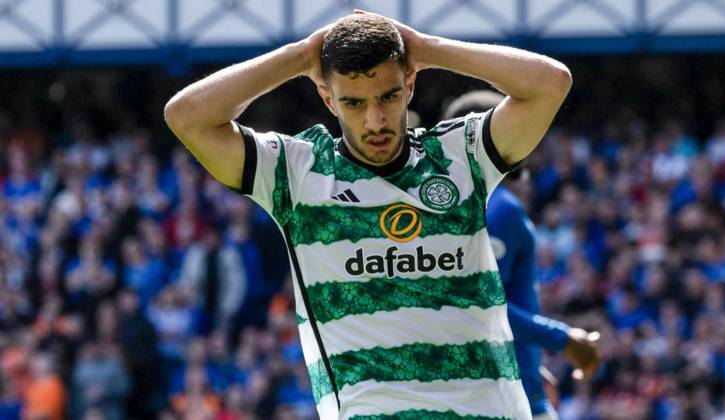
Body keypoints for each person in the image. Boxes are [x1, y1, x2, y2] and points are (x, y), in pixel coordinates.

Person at [164, 10, 572, 419]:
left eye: (388, 96)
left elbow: (551, 84)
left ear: (410, 83)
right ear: (328, 98)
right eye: (354, 103)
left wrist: (427, 48)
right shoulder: (295, 173)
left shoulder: (461, 155)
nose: (374, 120)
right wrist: (300, 56)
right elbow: (186, 116)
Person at [445, 90, 601, 418]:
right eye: (520, 127)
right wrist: (565, 340)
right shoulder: (500, 208)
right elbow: (482, 304)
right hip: (508, 401)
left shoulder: (458, 208)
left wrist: (529, 363)